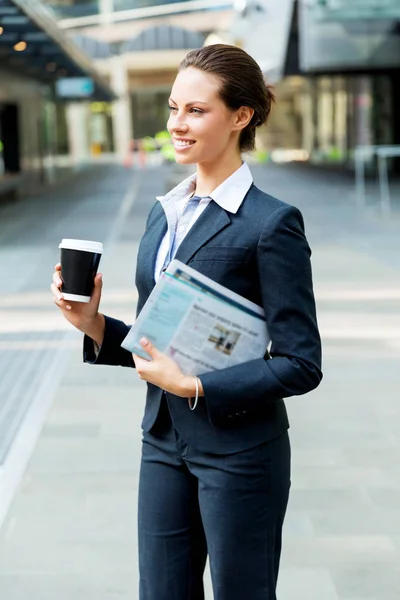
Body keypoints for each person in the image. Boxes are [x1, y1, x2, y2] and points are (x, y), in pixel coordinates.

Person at [51, 44, 322, 600]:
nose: (177, 124)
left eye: (196, 111)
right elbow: (162, 337)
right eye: (174, 108)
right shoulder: (164, 212)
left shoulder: (272, 225)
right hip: (163, 441)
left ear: (240, 117)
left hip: (241, 454)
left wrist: (196, 385)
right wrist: (95, 323)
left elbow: (301, 363)